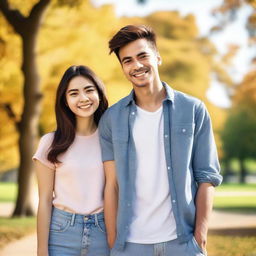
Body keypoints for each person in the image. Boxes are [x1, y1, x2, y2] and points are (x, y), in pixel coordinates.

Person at [98, 25, 222, 256]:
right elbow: (111, 185)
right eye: (127, 61)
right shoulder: (111, 119)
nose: (136, 65)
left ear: (158, 58)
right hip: (130, 244)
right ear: (123, 68)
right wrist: (114, 240)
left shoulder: (193, 110)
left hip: (182, 242)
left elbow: (207, 177)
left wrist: (200, 238)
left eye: (142, 56)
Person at [33, 65, 109, 256]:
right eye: (74, 93)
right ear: (65, 101)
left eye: (89, 90)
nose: (83, 98)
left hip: (104, 231)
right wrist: (42, 250)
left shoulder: (112, 140)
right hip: (61, 233)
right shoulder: (50, 142)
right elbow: (44, 200)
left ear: (99, 94)